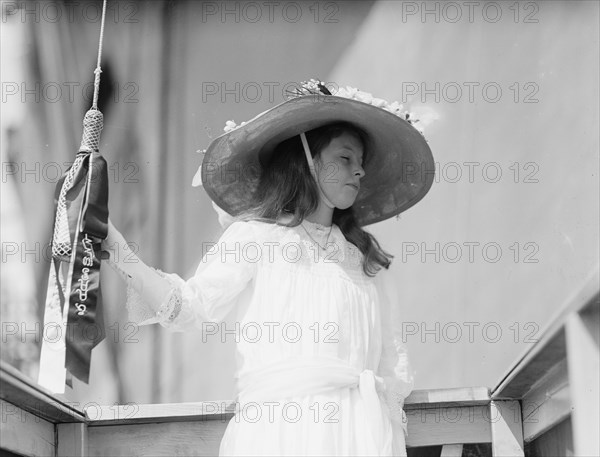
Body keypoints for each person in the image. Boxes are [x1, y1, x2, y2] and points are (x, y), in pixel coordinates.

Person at [102, 79, 435, 456]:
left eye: (361, 162)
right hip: (278, 432)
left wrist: (382, 437)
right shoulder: (256, 238)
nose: (358, 171)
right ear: (307, 159)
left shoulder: (365, 263)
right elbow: (188, 307)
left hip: (357, 435)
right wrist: (113, 245)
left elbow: (391, 372)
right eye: (345, 158)